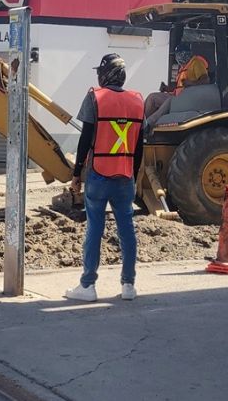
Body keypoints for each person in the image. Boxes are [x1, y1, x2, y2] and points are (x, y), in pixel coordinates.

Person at [65, 53, 144, 302]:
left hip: (99, 174)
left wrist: (76, 173)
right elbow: (140, 145)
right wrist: (135, 173)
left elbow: (85, 139)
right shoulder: (137, 101)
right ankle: (128, 285)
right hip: (125, 176)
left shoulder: (95, 98)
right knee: (127, 229)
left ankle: (87, 286)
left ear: (104, 74)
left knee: (94, 229)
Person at [145, 54, 211, 128]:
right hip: (177, 97)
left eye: (182, 54)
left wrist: (191, 83)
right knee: (152, 97)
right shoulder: (183, 67)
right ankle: (142, 122)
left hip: (188, 98)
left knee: (171, 100)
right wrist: (166, 88)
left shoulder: (196, 63)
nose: (179, 57)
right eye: (178, 55)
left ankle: (149, 124)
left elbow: (206, 80)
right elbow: (178, 87)